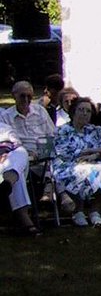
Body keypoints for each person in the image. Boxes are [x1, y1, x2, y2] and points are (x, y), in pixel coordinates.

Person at [51, 95, 101, 226]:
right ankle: (78, 211)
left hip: (93, 163)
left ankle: (95, 211)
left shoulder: (95, 130)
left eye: (88, 111)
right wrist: (92, 151)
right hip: (69, 164)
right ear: (73, 112)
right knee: (83, 171)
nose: (84, 113)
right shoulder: (62, 130)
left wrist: (94, 156)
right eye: (81, 110)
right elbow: (63, 152)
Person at [0, 84, 45, 236]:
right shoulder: (6, 115)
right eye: (22, 96)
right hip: (5, 163)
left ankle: (7, 182)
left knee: (19, 152)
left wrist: (5, 150)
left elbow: (12, 139)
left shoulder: (1, 122)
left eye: (29, 96)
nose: (26, 100)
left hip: (9, 159)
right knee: (16, 166)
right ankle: (26, 222)